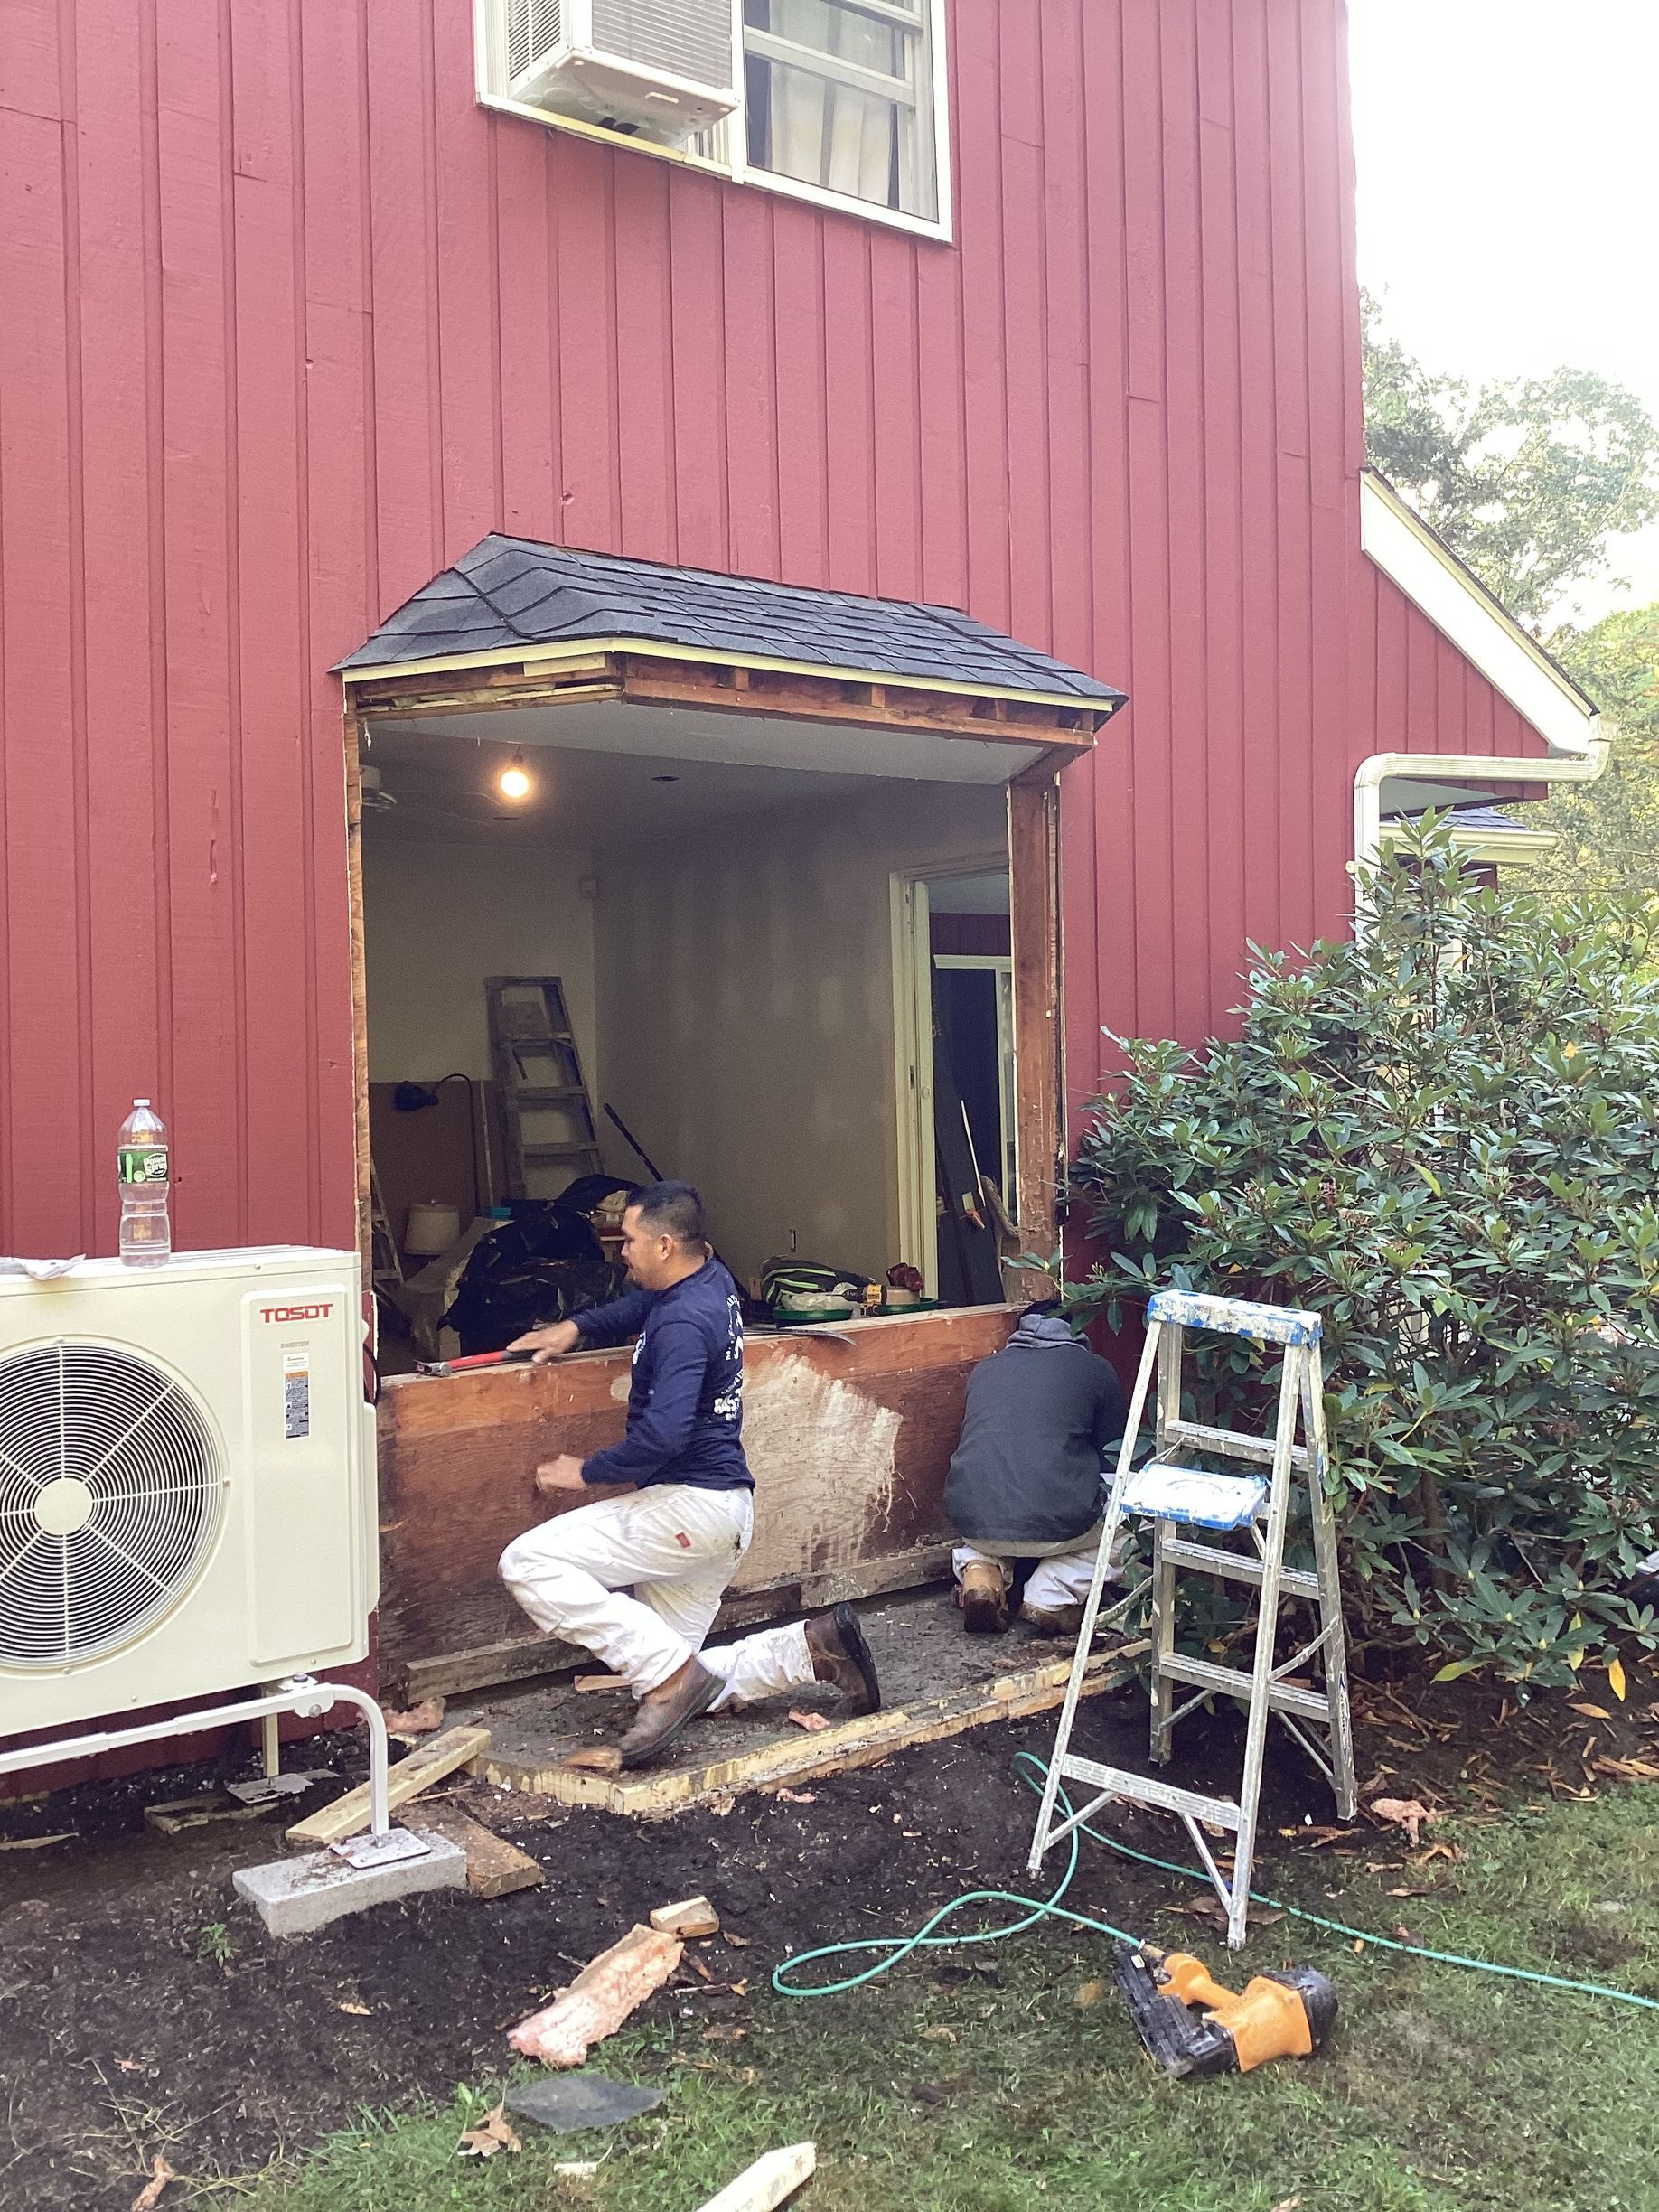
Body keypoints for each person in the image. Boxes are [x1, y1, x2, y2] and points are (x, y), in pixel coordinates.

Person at [498, 1180, 880, 1766]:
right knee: (674, 1676)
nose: (621, 1250)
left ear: (665, 1246)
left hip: (689, 1509)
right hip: (721, 1514)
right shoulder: (709, 1278)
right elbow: (643, 1304)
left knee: (526, 1563)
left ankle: (672, 1676)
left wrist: (586, 1472)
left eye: (629, 1240)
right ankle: (814, 1650)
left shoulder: (682, 1324)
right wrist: (575, 1328)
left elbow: (664, 1436)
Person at [942, 1300, 1129, 1636]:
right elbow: (1114, 1460)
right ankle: (1051, 1592)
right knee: (1135, 1524)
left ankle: (980, 1571)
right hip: (1056, 1525)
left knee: (1000, 1513)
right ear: (1077, 1330)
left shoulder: (985, 1369)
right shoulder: (1096, 1369)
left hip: (973, 1520)